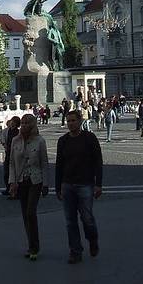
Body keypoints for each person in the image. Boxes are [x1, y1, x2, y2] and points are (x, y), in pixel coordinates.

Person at [55, 110, 103, 264]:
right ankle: (75, 251)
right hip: (67, 184)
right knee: (70, 221)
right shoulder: (62, 141)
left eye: (73, 121)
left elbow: (98, 161)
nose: (70, 124)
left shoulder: (89, 138)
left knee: (87, 218)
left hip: (85, 183)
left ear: (80, 121)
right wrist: (58, 187)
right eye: (68, 121)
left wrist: (98, 184)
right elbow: (59, 165)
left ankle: (92, 239)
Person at [9, 114, 49, 261]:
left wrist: (45, 184)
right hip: (21, 181)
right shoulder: (15, 140)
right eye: (23, 123)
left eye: (27, 123)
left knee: (31, 212)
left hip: (35, 180)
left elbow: (44, 163)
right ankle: (31, 244)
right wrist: (12, 182)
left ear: (33, 125)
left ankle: (34, 246)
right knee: (25, 214)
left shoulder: (40, 141)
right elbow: (12, 163)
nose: (24, 125)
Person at [2, 116, 21, 197]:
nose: (11, 123)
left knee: (13, 173)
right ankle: (9, 188)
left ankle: (14, 191)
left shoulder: (18, 132)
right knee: (7, 173)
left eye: (13, 121)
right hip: (8, 153)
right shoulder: (8, 131)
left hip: (15, 154)